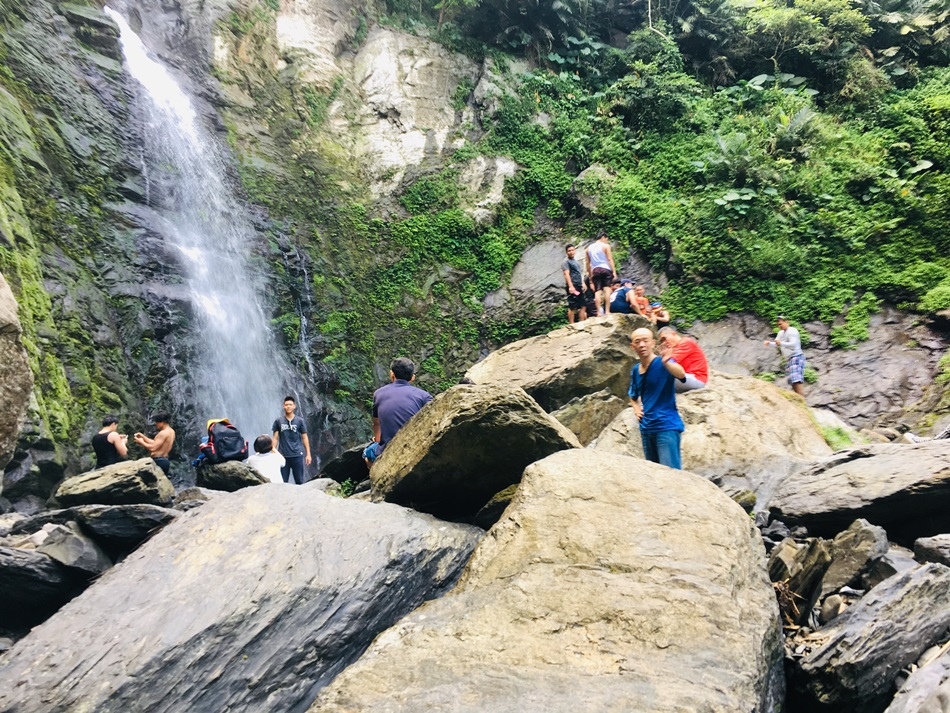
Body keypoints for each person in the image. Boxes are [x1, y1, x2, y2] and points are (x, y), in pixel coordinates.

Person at [628, 328, 686, 469]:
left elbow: (681, 375)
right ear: (632, 346)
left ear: (653, 343)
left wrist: (667, 362)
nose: (642, 345)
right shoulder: (636, 370)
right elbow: (632, 395)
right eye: (638, 342)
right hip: (647, 428)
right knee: (655, 475)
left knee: (671, 473)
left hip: (666, 426)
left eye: (645, 341)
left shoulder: (663, 362)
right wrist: (636, 408)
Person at [363, 357, 433, 466]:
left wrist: (377, 440)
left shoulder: (378, 394)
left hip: (388, 449)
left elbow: (376, 424)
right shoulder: (424, 396)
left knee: (367, 453)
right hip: (416, 447)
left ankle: (379, 477)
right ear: (412, 377)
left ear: (392, 374)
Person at [272, 396, 312, 484]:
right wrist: (272, 452)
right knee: (282, 482)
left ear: (294, 406)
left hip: (297, 455)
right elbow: (275, 438)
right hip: (282, 456)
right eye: (286, 405)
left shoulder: (300, 421)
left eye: (290, 405)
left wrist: (308, 454)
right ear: (283, 406)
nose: (288, 406)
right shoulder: (278, 421)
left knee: (299, 481)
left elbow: (304, 437)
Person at [658, 326, 709, 392]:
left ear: (673, 333)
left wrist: (664, 357)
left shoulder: (685, 342)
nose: (664, 343)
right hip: (688, 378)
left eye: (664, 338)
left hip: (696, 379)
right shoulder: (675, 348)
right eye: (661, 341)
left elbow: (670, 362)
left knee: (659, 380)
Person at [765, 315, 806, 396]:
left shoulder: (792, 331)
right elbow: (777, 344)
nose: (780, 326)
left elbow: (793, 344)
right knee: (792, 379)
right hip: (789, 358)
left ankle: (802, 399)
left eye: (781, 324)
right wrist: (769, 343)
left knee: (796, 378)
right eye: (778, 324)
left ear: (787, 322)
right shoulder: (780, 333)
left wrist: (781, 343)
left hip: (796, 356)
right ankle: (798, 398)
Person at [585, 232, 617, 315]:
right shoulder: (606, 246)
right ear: (603, 237)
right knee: (607, 289)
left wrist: (590, 275)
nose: (606, 241)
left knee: (597, 291)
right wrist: (614, 271)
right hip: (606, 269)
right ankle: (607, 311)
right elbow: (610, 259)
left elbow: (588, 263)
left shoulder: (588, 248)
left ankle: (598, 312)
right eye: (606, 239)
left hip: (595, 270)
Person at [561, 244, 587, 323]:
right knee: (572, 306)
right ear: (566, 252)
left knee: (583, 305)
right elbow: (566, 274)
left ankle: (582, 323)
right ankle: (571, 324)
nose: (571, 252)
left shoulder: (576, 262)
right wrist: (571, 286)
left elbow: (579, 273)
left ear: (575, 251)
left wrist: (583, 283)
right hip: (573, 286)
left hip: (579, 285)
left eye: (572, 250)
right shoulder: (566, 262)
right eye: (569, 251)